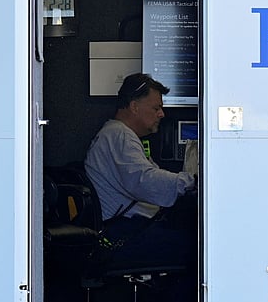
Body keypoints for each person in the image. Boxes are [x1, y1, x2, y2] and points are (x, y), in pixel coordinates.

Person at [84, 72, 196, 269]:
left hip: (125, 230)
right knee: (198, 246)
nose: (162, 114)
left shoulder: (117, 134)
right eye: (156, 108)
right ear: (134, 106)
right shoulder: (120, 136)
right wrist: (191, 181)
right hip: (124, 235)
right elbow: (145, 180)